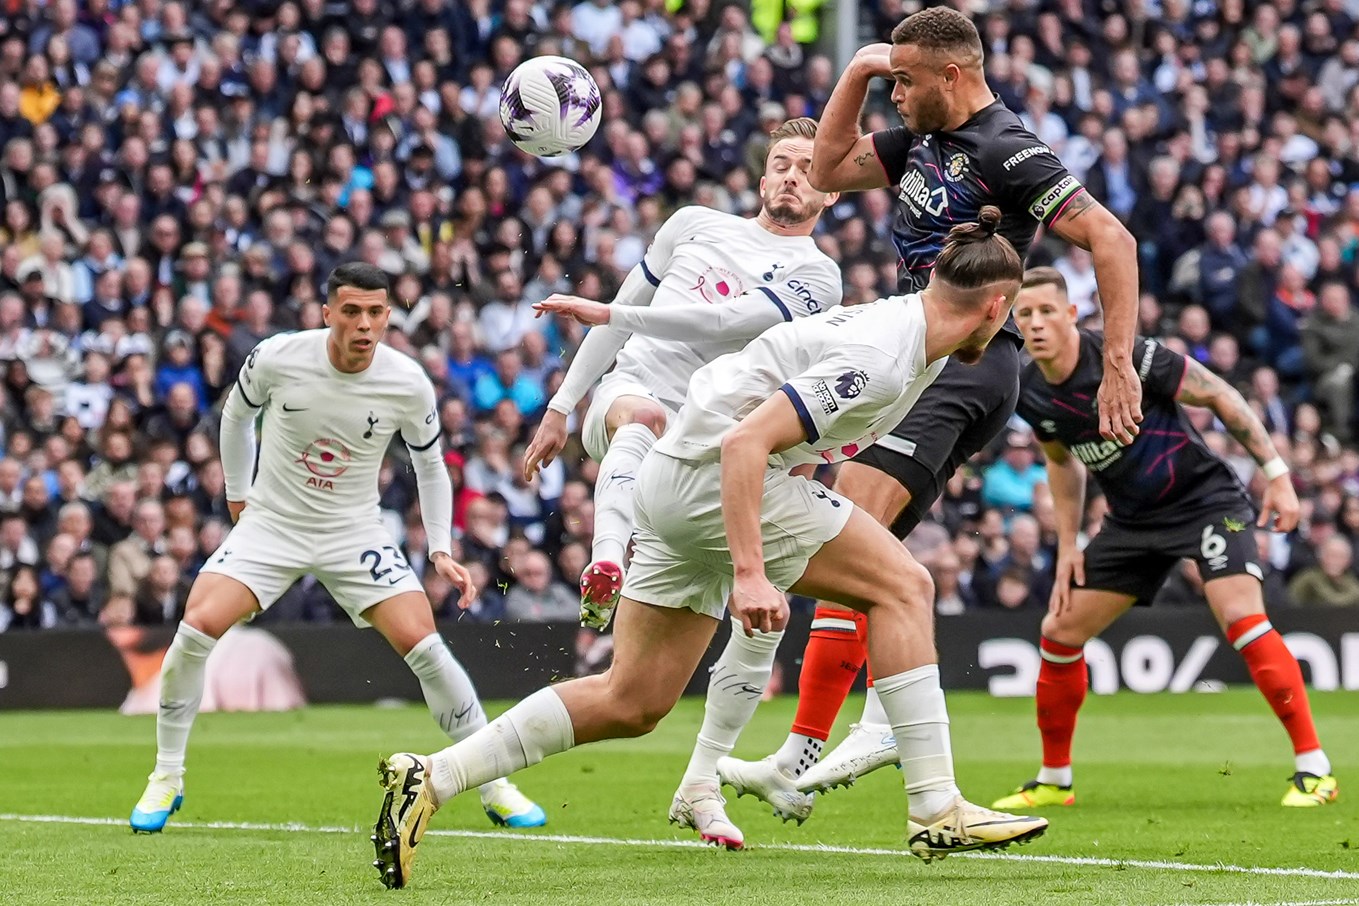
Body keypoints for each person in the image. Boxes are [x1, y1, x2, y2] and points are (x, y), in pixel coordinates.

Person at [368, 210, 1047, 890]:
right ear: (996, 307)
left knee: (632, 699)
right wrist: (750, 574)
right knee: (903, 587)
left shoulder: (907, 329)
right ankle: (934, 805)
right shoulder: (883, 354)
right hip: (709, 480)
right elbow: (745, 443)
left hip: (676, 482)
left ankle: (435, 774)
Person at [690, 5, 1145, 822]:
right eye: (888, 80)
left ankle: (853, 734)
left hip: (968, 359)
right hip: (914, 355)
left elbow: (1112, 240)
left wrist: (1117, 367)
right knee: (856, 542)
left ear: (951, 76)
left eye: (903, 80)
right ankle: (827, 740)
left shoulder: (1008, 149)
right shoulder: (917, 144)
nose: (894, 94)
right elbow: (826, 169)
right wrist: (857, 72)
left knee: (849, 516)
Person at [128, 263, 545, 834]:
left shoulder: (408, 382)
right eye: (351, 311)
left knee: (426, 645)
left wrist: (442, 548)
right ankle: (167, 776)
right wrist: (236, 494)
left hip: (354, 531)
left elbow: (430, 466)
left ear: (388, 316)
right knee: (195, 630)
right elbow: (236, 416)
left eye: (376, 312)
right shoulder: (278, 356)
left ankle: (494, 783)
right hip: (271, 524)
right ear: (327, 314)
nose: (364, 324)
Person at [989, 267, 1334, 809]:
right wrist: (1069, 547)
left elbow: (1218, 393)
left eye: (1047, 311)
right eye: (1024, 314)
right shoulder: (1031, 392)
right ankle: (1055, 780)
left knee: (1243, 620)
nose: (1035, 324)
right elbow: (1061, 462)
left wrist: (1278, 475)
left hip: (1207, 504)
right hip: (1131, 523)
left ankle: (1314, 769)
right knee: (1059, 630)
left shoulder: (1128, 359)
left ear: (1072, 315)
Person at [522, 118, 843, 628]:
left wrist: (610, 313)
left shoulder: (820, 277)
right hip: (632, 393)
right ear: (762, 182)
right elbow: (621, 313)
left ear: (830, 193)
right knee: (644, 416)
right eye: (781, 165)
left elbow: (723, 322)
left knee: (638, 696)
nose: (791, 176)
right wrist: (560, 408)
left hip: (706, 446)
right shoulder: (693, 223)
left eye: (807, 169)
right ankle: (606, 558)